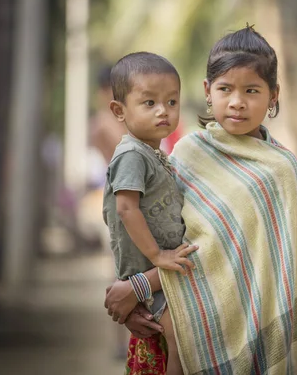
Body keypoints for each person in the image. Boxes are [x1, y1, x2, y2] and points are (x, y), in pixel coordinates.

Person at [104, 25, 297, 374]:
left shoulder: (280, 172)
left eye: (252, 90)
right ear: (208, 91)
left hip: (245, 328)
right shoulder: (188, 152)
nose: (237, 101)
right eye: (225, 89)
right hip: (173, 315)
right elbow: (155, 227)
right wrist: (138, 300)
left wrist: (139, 286)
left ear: (274, 94)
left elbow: (216, 250)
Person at [102, 52, 197, 375]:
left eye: (172, 102)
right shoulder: (131, 155)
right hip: (148, 269)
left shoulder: (154, 155)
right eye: (150, 103)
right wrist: (158, 255)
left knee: (178, 341)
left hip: (156, 271)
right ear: (119, 110)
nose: (163, 111)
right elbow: (126, 208)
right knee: (179, 339)